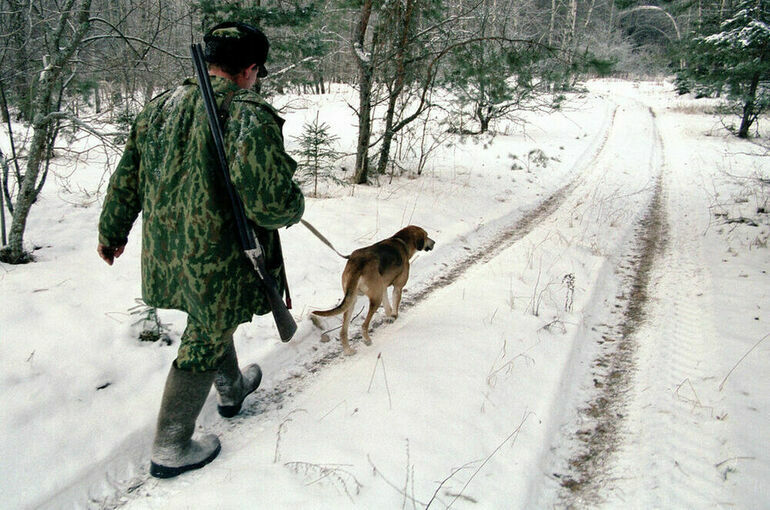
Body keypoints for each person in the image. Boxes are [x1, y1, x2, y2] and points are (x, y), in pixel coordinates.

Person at [97, 21, 304, 479]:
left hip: (170, 250)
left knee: (211, 319)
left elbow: (126, 179)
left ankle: (230, 389)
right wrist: (295, 205)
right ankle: (171, 446)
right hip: (220, 256)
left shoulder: (160, 107)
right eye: (257, 72)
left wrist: (112, 231)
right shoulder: (247, 112)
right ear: (250, 69)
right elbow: (270, 205)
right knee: (205, 333)